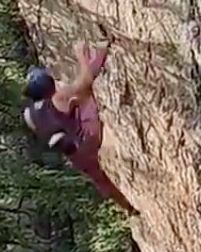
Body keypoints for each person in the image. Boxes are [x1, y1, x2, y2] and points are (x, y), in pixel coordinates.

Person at [23, 41, 135, 213]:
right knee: (84, 95)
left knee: (99, 179)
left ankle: (127, 207)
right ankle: (102, 51)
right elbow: (86, 81)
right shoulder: (58, 98)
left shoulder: (29, 115)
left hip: (74, 153)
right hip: (88, 137)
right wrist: (81, 55)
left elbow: (48, 129)